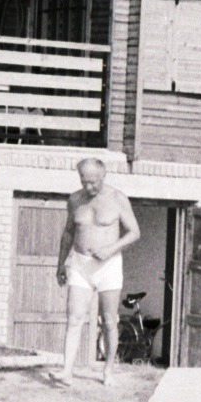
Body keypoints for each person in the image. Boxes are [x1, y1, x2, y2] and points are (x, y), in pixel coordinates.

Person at [50, 158, 140, 386]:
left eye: (94, 182)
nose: (89, 187)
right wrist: (61, 263)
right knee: (74, 318)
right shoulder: (75, 199)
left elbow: (134, 232)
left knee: (109, 320)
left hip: (108, 266)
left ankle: (108, 370)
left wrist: (110, 249)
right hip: (80, 264)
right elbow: (68, 233)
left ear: (104, 175)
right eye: (84, 181)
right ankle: (67, 372)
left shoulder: (117, 198)